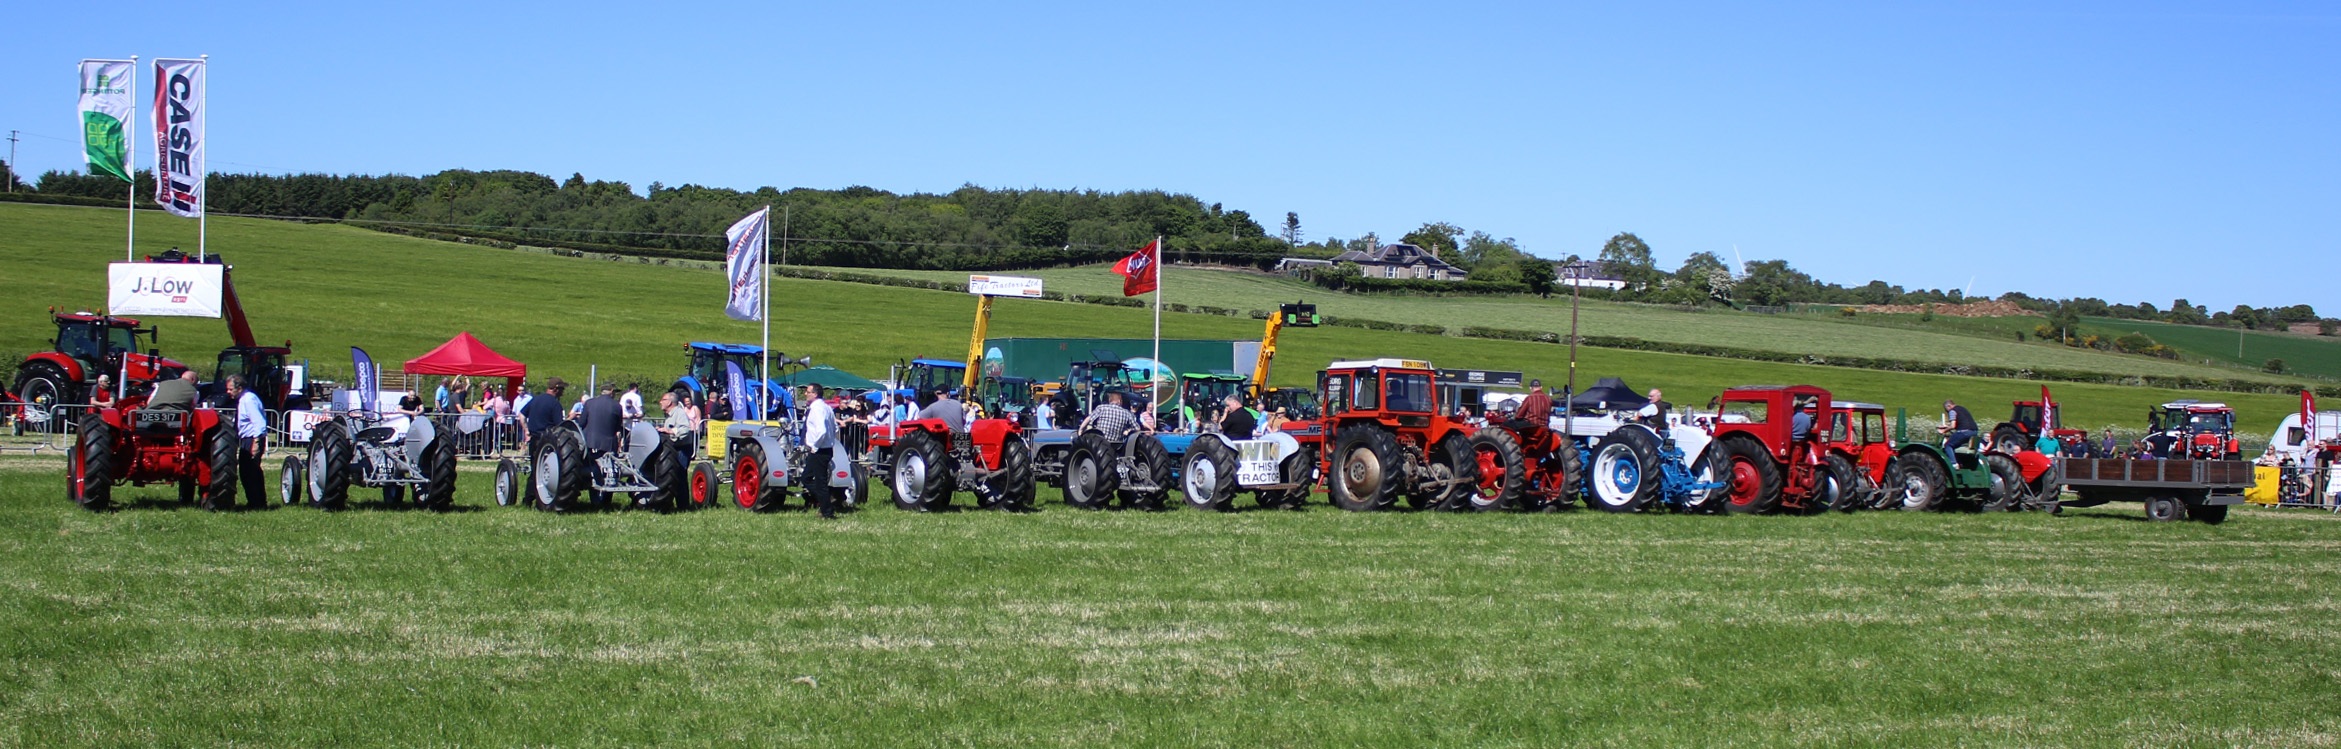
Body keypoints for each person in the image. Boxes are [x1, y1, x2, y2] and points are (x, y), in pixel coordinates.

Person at [227, 375, 269, 509]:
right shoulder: (243, 399)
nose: (228, 392)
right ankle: (255, 501)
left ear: (239, 388)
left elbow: (259, 422)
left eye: (230, 389)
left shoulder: (249, 399)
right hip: (247, 438)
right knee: (247, 472)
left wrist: (256, 443)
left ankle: (257, 503)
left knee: (250, 472)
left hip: (252, 439)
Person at [579, 385, 623, 506]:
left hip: (591, 442)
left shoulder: (589, 403)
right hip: (609, 444)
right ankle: (606, 501)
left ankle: (594, 498)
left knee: (592, 470)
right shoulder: (617, 406)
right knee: (610, 471)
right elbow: (617, 426)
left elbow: (582, 423)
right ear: (612, 392)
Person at [801, 384, 841, 519]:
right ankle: (825, 502)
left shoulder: (817, 409)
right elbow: (835, 428)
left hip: (819, 451)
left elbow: (822, 431)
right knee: (808, 478)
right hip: (826, 449)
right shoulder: (827, 408)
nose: (805, 394)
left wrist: (815, 446)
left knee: (818, 482)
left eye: (808, 392)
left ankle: (827, 510)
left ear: (815, 394)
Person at [518, 377, 568, 456]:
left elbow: (521, 415)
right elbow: (559, 425)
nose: (563, 392)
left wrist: (526, 431)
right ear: (556, 389)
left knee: (534, 465)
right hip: (547, 442)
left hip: (534, 439)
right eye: (562, 389)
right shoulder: (555, 404)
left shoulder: (535, 399)